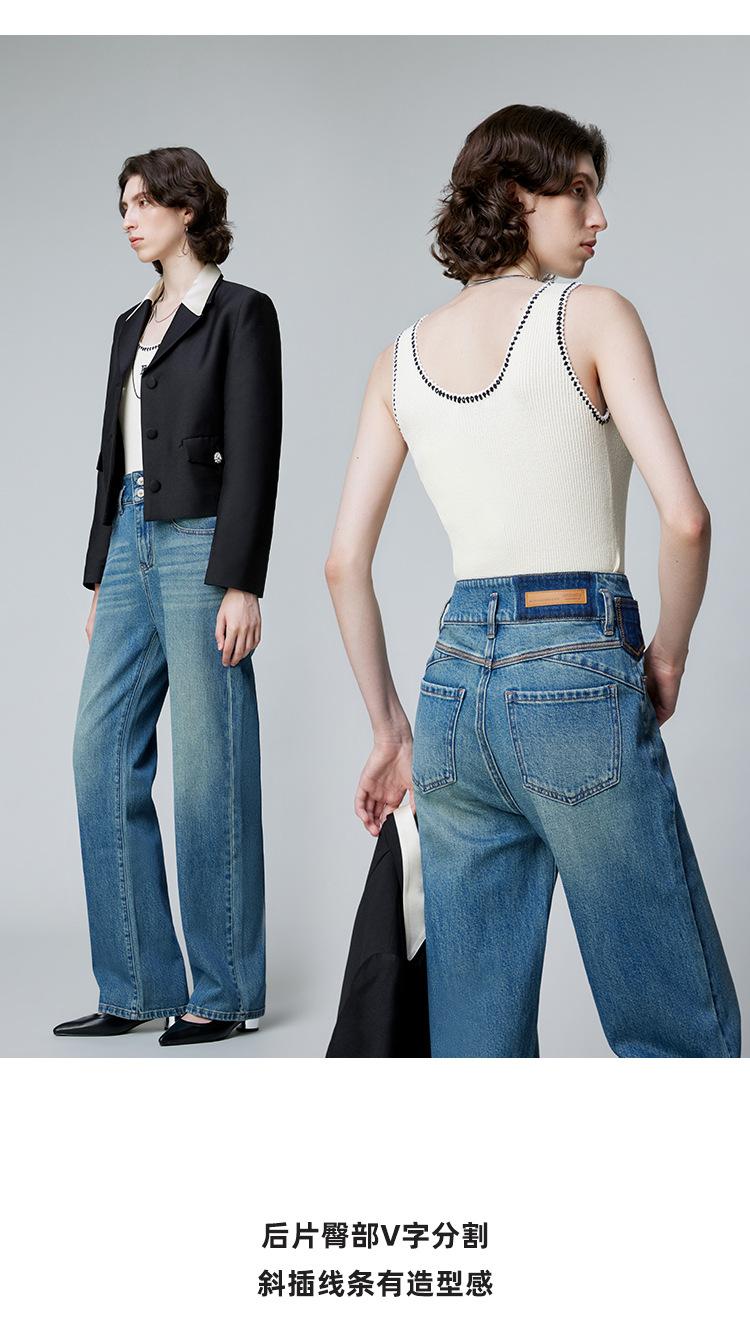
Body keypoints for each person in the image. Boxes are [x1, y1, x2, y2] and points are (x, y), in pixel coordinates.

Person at [325, 104, 741, 1058]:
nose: (600, 218)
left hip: (452, 696)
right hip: (574, 673)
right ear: (517, 197)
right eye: (579, 192)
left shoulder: (397, 361)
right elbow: (687, 518)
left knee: (476, 1045)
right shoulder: (591, 316)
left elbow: (343, 562)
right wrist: (669, 654)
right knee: (678, 1027)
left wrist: (390, 730)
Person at [54, 146, 282, 1047]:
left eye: (144, 202)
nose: (129, 218)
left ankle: (223, 993)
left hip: (201, 546)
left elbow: (255, 452)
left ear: (189, 209)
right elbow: (109, 454)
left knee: (208, 767)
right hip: (130, 543)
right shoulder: (130, 322)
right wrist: (102, 573)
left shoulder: (240, 313)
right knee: (99, 754)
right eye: (123, 205)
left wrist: (243, 579)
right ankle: (138, 982)